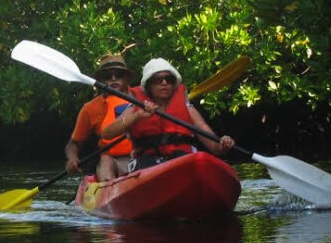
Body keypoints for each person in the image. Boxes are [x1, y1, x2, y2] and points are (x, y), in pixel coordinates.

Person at [100, 58, 235, 172]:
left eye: (168, 79)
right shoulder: (136, 106)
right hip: (147, 165)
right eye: (158, 80)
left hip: (182, 161)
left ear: (174, 83)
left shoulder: (187, 107)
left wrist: (222, 145)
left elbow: (214, 147)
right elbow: (107, 133)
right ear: (148, 85)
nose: (164, 83)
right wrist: (138, 116)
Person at [64, 54, 137, 181]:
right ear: (100, 80)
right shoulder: (90, 109)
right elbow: (73, 144)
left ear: (126, 78)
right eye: (107, 76)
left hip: (144, 157)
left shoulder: (142, 96)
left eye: (119, 75)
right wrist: (72, 158)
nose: (114, 79)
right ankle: (108, 190)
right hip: (114, 162)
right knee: (105, 160)